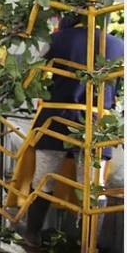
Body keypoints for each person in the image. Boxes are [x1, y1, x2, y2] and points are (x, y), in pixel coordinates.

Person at [24, 13, 123, 247]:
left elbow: (33, 69)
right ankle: (89, 242)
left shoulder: (58, 39)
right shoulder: (119, 45)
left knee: (44, 179)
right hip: (97, 122)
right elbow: (117, 89)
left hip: (57, 118)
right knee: (93, 187)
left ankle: (32, 234)